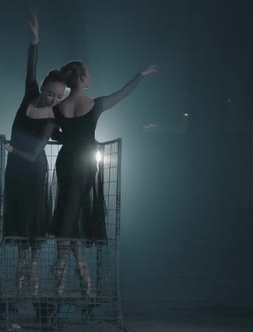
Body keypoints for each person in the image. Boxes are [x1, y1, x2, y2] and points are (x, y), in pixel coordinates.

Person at [51, 60, 159, 296]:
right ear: (81, 79)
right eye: (88, 73)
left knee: (68, 208)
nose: (91, 76)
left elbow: (54, 131)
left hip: (66, 160)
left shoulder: (58, 107)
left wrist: (66, 138)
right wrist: (139, 74)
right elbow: (122, 94)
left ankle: (70, 272)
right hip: (85, 162)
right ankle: (70, 268)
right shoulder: (94, 104)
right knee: (74, 210)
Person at [3, 11, 67, 298]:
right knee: (17, 216)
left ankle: (33, 269)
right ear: (43, 87)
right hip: (14, 168)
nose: (53, 99)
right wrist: (35, 40)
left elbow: (33, 155)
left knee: (33, 217)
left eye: (58, 97)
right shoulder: (30, 93)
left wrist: (11, 148)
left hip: (32, 167)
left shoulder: (51, 119)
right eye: (51, 93)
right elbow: (31, 67)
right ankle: (21, 268)